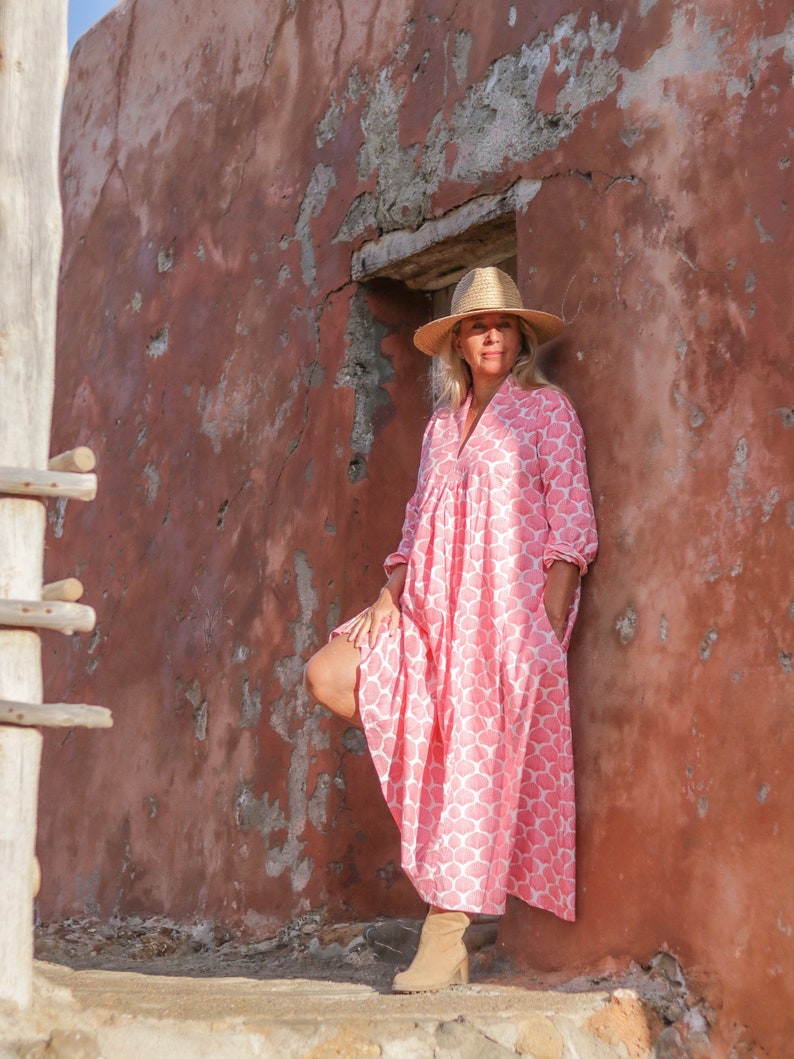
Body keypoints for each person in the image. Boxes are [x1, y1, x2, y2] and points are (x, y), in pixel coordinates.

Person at [304, 266, 598, 993]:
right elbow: (416, 519)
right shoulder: (442, 423)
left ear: (518, 334)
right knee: (332, 674)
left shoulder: (546, 410)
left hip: (505, 623)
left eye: (501, 323)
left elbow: (573, 522)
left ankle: (447, 929)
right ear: (459, 343)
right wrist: (386, 594)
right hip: (428, 613)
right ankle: (464, 890)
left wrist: (543, 624)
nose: (490, 335)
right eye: (475, 325)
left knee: (473, 757)